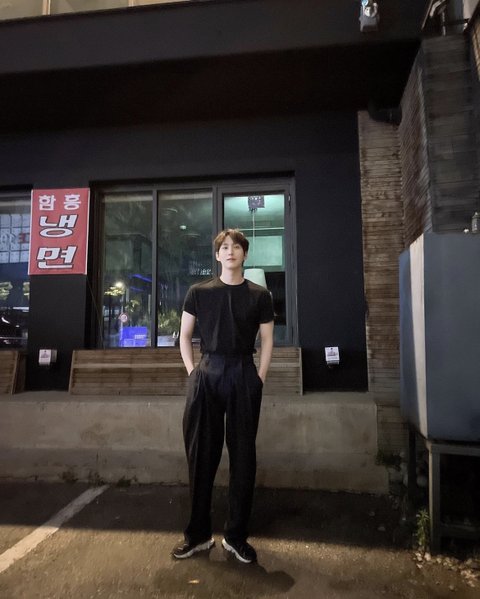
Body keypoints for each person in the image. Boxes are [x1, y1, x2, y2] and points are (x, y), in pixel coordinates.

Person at [172, 228, 274, 564]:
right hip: (207, 373)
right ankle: (198, 535)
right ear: (217, 255)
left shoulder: (260, 296)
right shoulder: (198, 292)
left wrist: (259, 377)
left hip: (243, 373)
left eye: (236, 247)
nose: (230, 251)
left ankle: (235, 536)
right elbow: (185, 336)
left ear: (245, 254)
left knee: (243, 457)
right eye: (224, 247)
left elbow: (267, 340)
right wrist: (193, 372)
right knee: (201, 455)